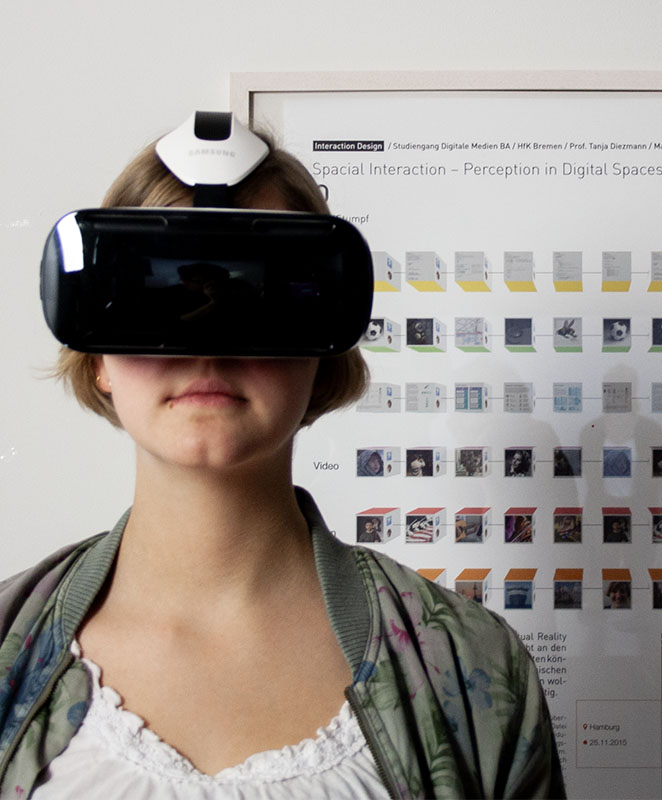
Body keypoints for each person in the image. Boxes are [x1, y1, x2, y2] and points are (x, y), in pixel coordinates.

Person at [0, 118, 564, 798]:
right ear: (98, 358)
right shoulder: (8, 651)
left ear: (322, 350)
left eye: (251, 296)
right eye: (161, 296)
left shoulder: (473, 669)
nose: (205, 345)